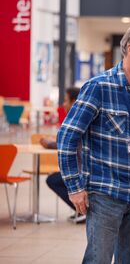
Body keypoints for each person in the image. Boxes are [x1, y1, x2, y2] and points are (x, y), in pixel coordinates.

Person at [57, 23, 130, 263]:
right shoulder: (98, 87)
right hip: (105, 192)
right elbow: (67, 136)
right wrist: (74, 187)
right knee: (98, 259)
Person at [41, 87, 84, 223]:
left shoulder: (77, 120)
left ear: (74, 101)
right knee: (54, 178)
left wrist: (47, 143)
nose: (64, 104)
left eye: (66, 100)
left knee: (52, 180)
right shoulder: (78, 118)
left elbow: (66, 143)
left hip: (81, 171)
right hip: (82, 169)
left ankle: (82, 209)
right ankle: (81, 209)